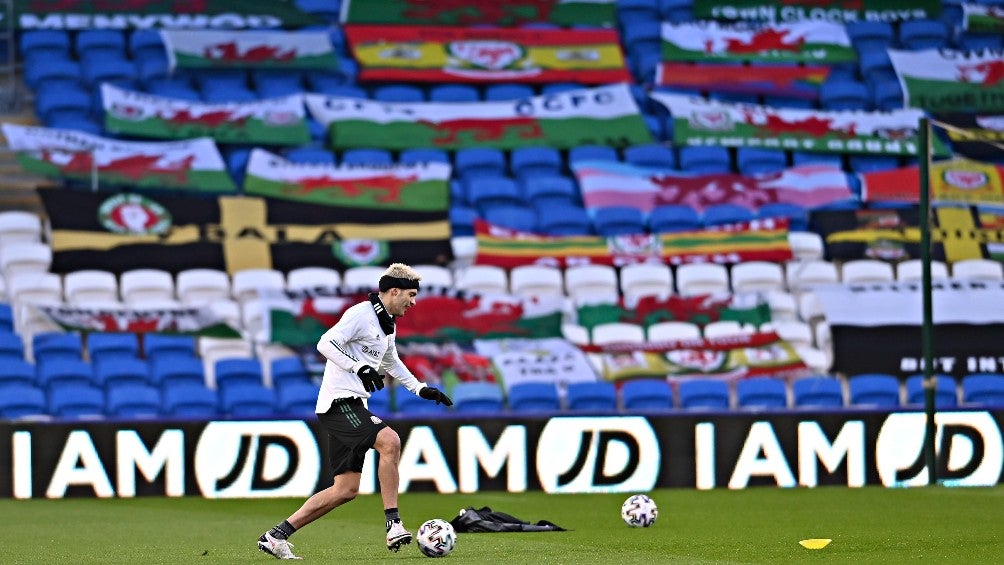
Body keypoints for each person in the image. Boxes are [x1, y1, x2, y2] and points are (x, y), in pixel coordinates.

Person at [257, 263, 454, 560]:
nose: (413, 302)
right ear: (394, 291)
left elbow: (390, 360)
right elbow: (325, 343)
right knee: (390, 441)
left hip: (352, 405)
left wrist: (419, 388)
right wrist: (358, 367)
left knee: (345, 490)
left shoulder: (387, 323)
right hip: (339, 403)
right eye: (410, 295)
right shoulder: (361, 313)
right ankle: (393, 523)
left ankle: (276, 536)